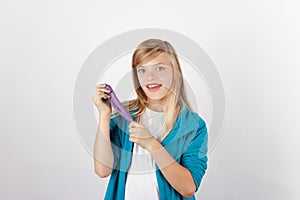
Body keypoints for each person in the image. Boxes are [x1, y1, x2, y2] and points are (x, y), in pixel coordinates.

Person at [93, 39, 208, 200]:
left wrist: (152, 144)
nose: (150, 77)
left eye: (159, 68)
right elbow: (102, 170)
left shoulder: (193, 126)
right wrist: (104, 115)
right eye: (142, 70)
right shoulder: (122, 118)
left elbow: (188, 188)